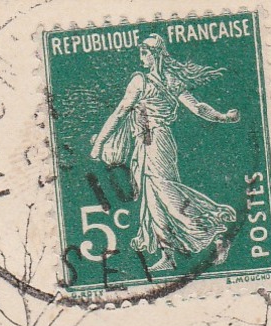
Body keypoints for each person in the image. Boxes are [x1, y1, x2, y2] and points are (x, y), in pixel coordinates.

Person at [89, 34, 242, 272]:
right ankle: (167, 255)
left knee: (167, 193)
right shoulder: (167, 80)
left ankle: (214, 234)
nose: (142, 57)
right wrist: (223, 117)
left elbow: (120, 113)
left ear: (156, 54)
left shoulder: (143, 82)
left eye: (145, 52)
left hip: (156, 142)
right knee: (153, 200)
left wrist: (99, 143)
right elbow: (198, 108)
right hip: (150, 142)